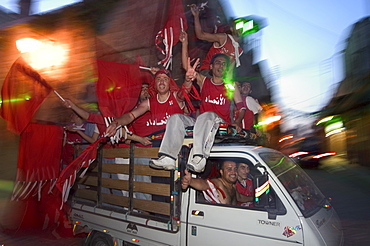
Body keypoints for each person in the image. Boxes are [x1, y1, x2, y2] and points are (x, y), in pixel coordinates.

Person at [149, 31, 245, 173]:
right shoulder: (204, 80)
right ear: (211, 67)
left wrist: (237, 122)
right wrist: (184, 43)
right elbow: (186, 67)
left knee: (207, 115)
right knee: (176, 118)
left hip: (219, 123)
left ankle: (199, 157)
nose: (220, 65)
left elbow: (242, 107)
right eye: (217, 62)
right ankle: (168, 157)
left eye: (224, 64)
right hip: (202, 122)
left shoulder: (231, 85)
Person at [106, 69, 185, 140]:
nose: (161, 82)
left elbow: (184, 92)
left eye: (165, 79)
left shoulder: (176, 97)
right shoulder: (149, 102)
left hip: (177, 143)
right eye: (158, 79)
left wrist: (188, 80)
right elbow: (130, 116)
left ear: (170, 83)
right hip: (157, 146)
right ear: (155, 83)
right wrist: (115, 123)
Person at [190, 4, 243, 74]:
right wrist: (196, 16)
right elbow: (201, 35)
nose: (239, 29)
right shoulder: (223, 38)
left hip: (219, 77)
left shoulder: (238, 50)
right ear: (231, 29)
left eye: (241, 27)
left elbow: (230, 70)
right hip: (208, 71)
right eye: (237, 27)